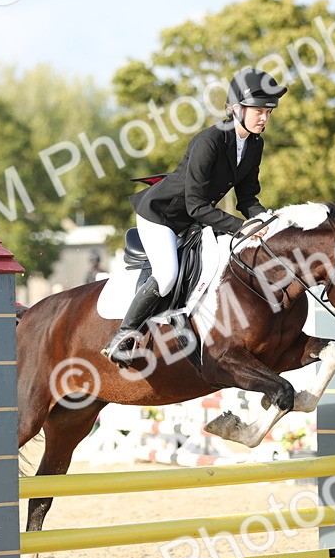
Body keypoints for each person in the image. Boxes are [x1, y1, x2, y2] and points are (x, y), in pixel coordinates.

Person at [101, 67, 288, 365]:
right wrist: (243, 227)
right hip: (162, 216)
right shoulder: (210, 141)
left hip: (194, 220)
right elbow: (196, 205)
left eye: (268, 111)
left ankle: (186, 323)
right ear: (236, 108)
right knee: (166, 276)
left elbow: (248, 197)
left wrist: (268, 222)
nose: (264, 117)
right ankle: (123, 335)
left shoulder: (255, 144)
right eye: (259, 110)